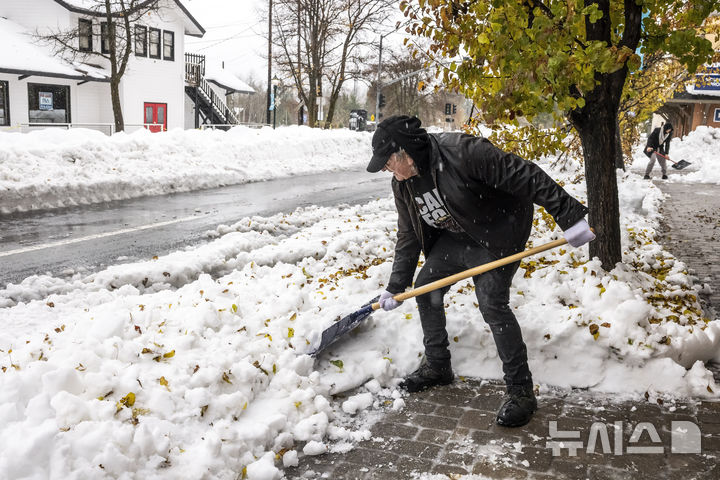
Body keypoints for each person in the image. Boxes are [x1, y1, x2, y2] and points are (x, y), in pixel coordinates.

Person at [367, 115, 595, 428]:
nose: (385, 169)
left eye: (387, 162)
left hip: (498, 231)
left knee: (492, 303)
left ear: (405, 151)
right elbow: (408, 235)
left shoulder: (462, 151)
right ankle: (437, 365)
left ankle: (521, 391)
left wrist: (569, 216)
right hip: (457, 236)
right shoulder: (403, 185)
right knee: (427, 289)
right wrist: (396, 286)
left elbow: (526, 175)